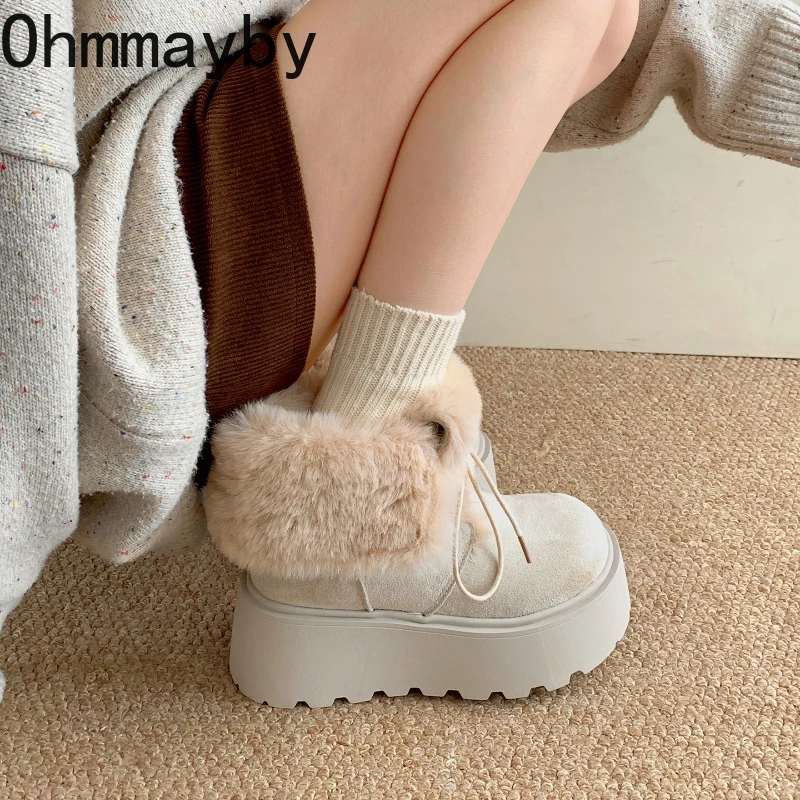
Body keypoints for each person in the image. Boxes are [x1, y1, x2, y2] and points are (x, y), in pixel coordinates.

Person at [1, 0, 799, 703]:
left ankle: (361, 439)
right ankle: (359, 522)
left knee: (592, 13)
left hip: (188, 149)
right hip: (129, 252)